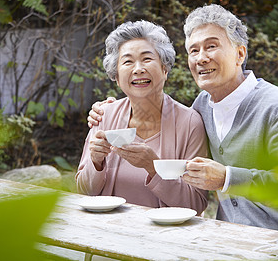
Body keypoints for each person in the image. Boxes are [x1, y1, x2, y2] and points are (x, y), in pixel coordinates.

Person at [87, 5, 278, 236]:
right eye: (194, 50)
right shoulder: (203, 106)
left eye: (211, 46)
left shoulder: (277, 108)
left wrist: (227, 178)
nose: (201, 58)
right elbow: (164, 115)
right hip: (228, 239)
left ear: (240, 54)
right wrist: (108, 108)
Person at [76, 20, 208, 215]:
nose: (138, 69)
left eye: (147, 59)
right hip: (108, 233)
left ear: (165, 69)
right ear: (117, 78)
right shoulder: (105, 116)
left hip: (165, 238)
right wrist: (95, 162)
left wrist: (153, 167)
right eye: (128, 61)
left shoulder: (190, 123)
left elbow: (195, 204)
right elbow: (83, 191)